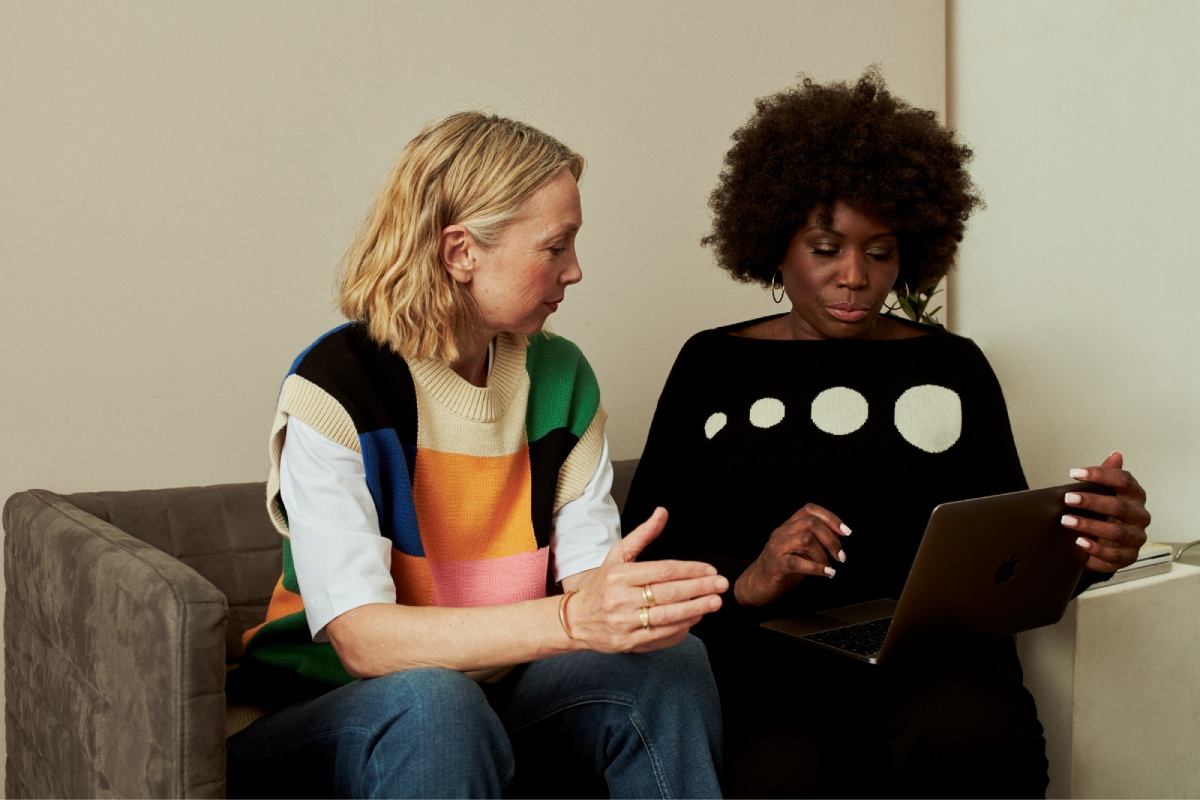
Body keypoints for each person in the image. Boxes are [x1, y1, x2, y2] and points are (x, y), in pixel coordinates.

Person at [621, 71, 1151, 799]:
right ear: (775, 243)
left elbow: (1005, 551)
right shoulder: (712, 364)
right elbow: (641, 547)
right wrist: (751, 577)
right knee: (787, 770)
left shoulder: (951, 365)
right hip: (772, 661)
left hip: (939, 662)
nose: (854, 277)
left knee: (977, 738)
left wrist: (1095, 547)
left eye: (880, 252)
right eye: (826, 247)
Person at [227, 111, 727, 799]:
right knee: (434, 705)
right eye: (556, 246)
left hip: (499, 695)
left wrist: (632, 606)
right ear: (461, 252)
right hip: (324, 712)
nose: (575, 271)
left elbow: (587, 591)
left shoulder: (562, 379)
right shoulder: (337, 386)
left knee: (668, 664)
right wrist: (569, 620)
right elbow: (362, 643)